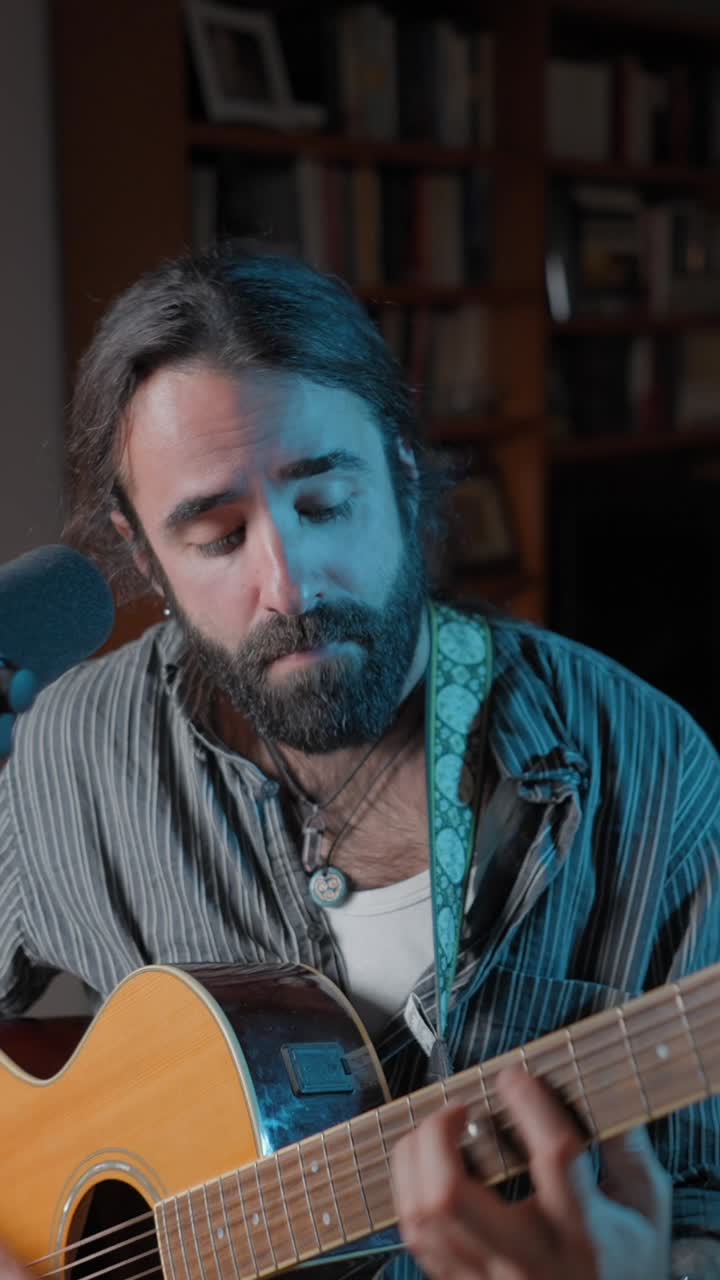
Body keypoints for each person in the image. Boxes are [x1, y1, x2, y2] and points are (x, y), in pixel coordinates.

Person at [0, 244, 719, 1280]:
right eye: (217, 534)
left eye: (324, 502)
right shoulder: (65, 758)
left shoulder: (646, 766)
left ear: (403, 465)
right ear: (142, 551)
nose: (288, 582)